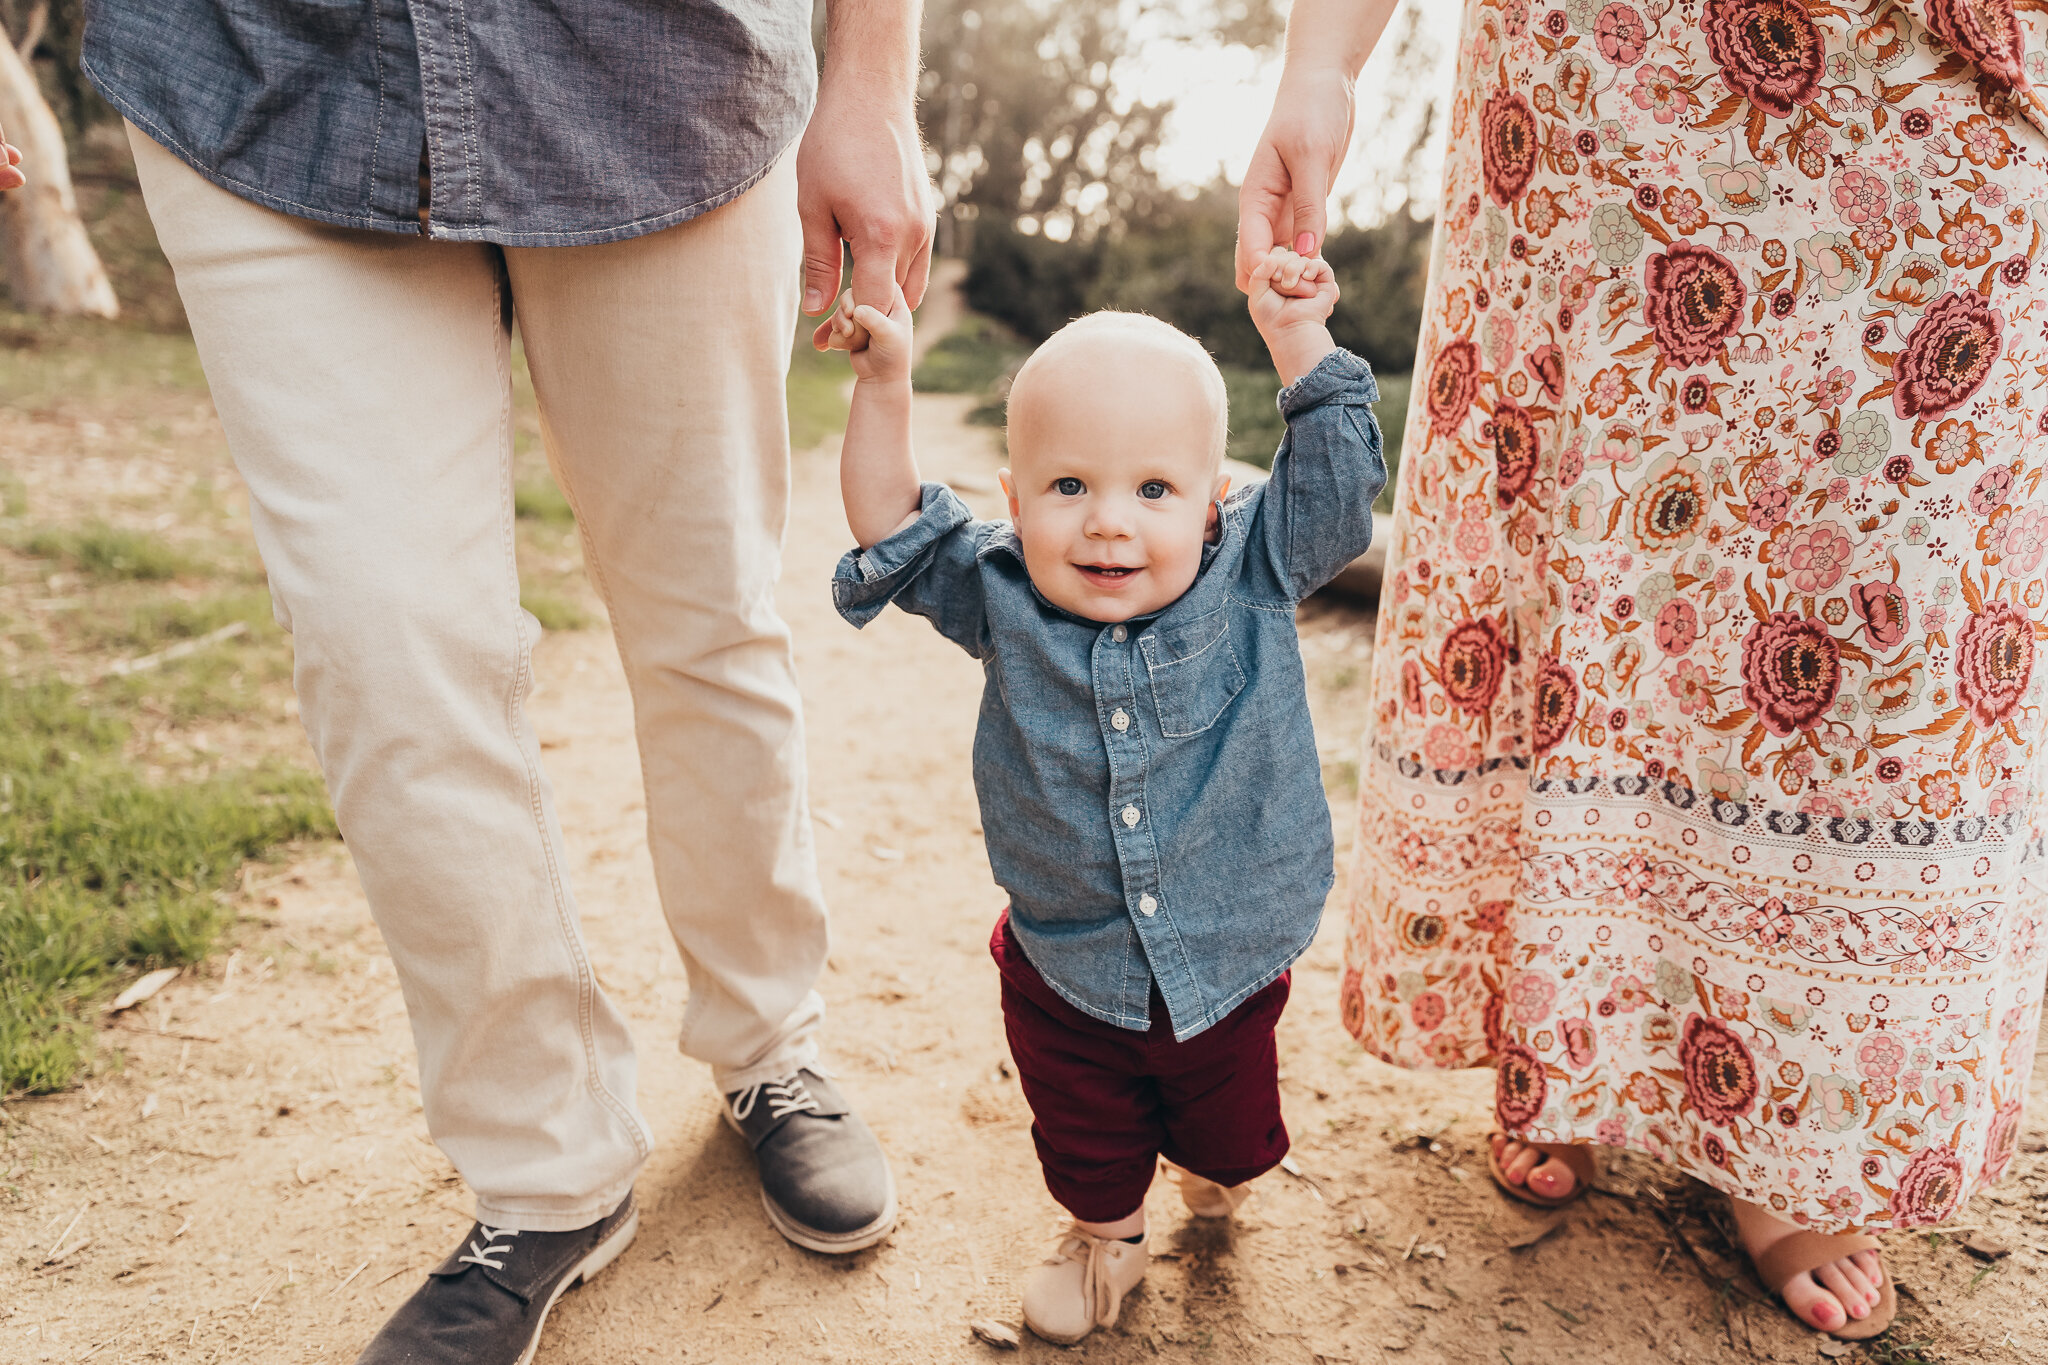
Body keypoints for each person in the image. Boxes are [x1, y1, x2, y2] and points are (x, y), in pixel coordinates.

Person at [23, 2, 935, 1360]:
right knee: (381, 647)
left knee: (704, 611)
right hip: (257, 68)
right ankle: (545, 1168)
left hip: (660, 67)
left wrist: (872, 77)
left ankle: (767, 1043)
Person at [1241, 0, 2048, 1343]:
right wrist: (1320, 60)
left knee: (1891, 574)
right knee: (1599, 541)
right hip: (1614, 66)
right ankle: (1577, 1035)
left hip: (1931, 72)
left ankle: (1804, 1122)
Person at [820, 246, 1386, 1342]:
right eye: (1069, 487)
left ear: (1214, 501)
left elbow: (1336, 485)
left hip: (1225, 949)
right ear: (1015, 501)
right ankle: (1105, 1241)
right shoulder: (996, 592)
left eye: (1154, 489)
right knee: (1083, 1133)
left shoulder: (1254, 564)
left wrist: (1294, 338)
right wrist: (883, 384)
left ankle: (1209, 1173)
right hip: (1065, 958)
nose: (1109, 523)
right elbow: (888, 525)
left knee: (1226, 1138)